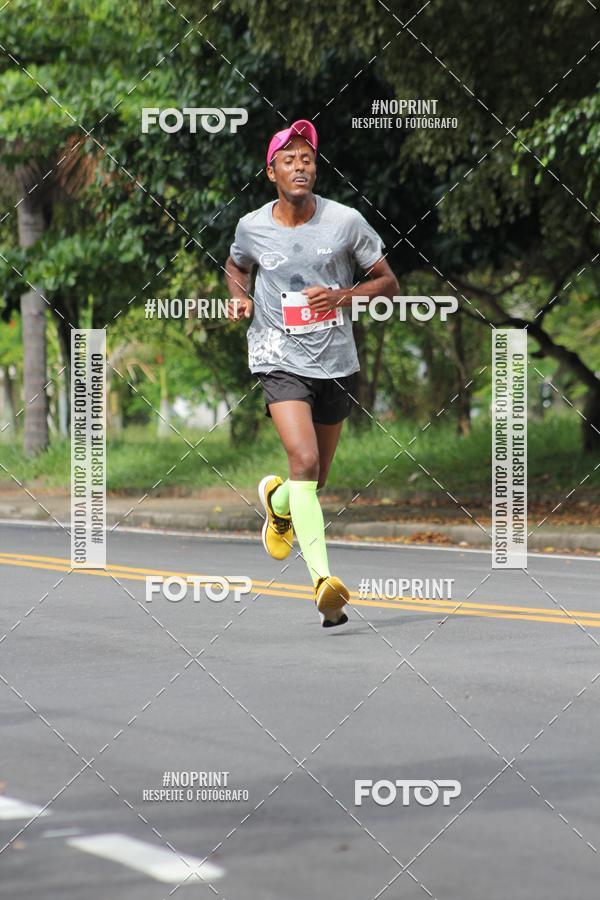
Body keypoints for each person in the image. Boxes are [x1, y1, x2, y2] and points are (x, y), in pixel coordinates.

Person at [225, 119, 398, 627]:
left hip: (335, 362)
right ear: (271, 171)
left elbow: (387, 282)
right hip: (278, 357)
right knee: (301, 459)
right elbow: (236, 268)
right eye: (290, 159)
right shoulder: (252, 226)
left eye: (308, 159)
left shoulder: (345, 222)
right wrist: (239, 301)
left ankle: (277, 501)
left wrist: (344, 296)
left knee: (313, 478)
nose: (301, 166)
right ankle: (324, 581)